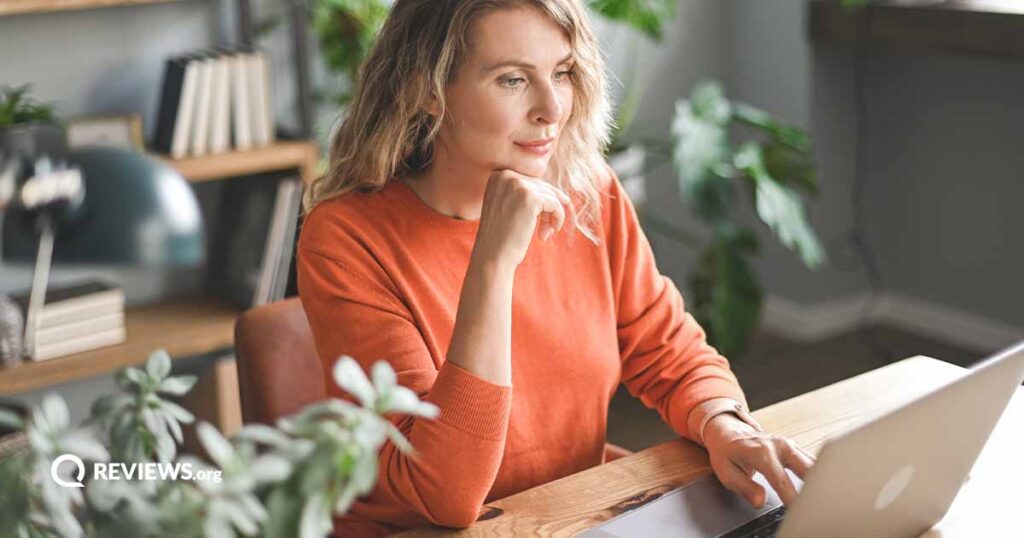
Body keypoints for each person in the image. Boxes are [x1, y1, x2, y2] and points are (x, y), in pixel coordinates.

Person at [297, 0, 816, 535]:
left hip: (567, 513)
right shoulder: (345, 238)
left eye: (562, 72)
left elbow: (664, 346)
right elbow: (444, 493)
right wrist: (493, 264)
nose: (552, 107)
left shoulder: (591, 194)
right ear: (428, 89)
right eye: (513, 79)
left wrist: (723, 422)